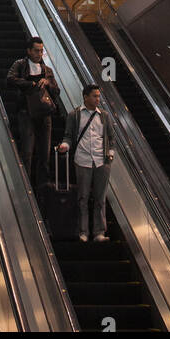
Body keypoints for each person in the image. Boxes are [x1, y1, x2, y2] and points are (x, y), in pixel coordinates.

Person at [59, 84, 115, 243]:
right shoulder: (74, 115)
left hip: (101, 161)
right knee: (82, 197)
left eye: (98, 96)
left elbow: (111, 138)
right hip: (82, 159)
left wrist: (110, 155)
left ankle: (99, 233)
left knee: (100, 198)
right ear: (85, 97)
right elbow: (68, 136)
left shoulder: (104, 116)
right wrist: (65, 146)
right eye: (94, 96)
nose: (98, 99)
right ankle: (83, 232)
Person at [7, 37, 60, 191]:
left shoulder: (47, 71)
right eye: (36, 50)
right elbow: (10, 79)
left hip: (44, 114)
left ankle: (43, 188)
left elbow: (57, 92)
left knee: (45, 153)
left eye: (41, 51)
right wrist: (30, 84)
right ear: (29, 51)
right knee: (27, 152)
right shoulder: (20, 65)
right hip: (26, 112)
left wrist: (48, 83)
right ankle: (26, 187)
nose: (39, 53)